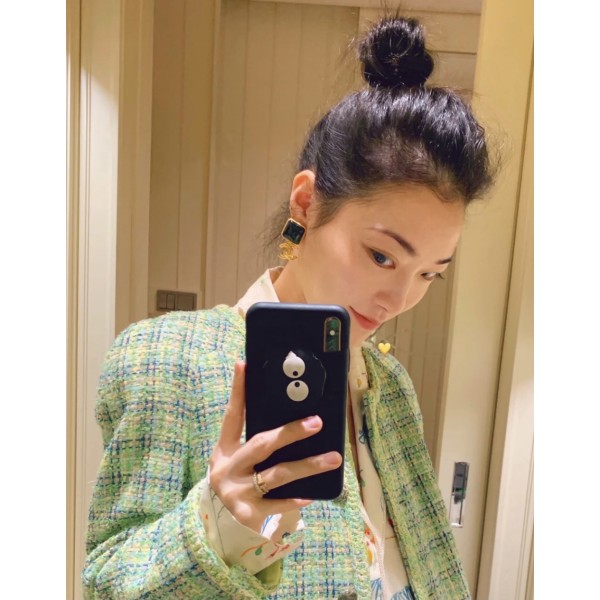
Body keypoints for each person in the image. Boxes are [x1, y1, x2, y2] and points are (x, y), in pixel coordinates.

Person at [82, 14, 494, 600]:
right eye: (381, 256)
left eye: (429, 273)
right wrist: (216, 530)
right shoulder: (167, 358)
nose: (401, 299)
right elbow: (107, 582)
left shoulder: (389, 388)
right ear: (306, 203)